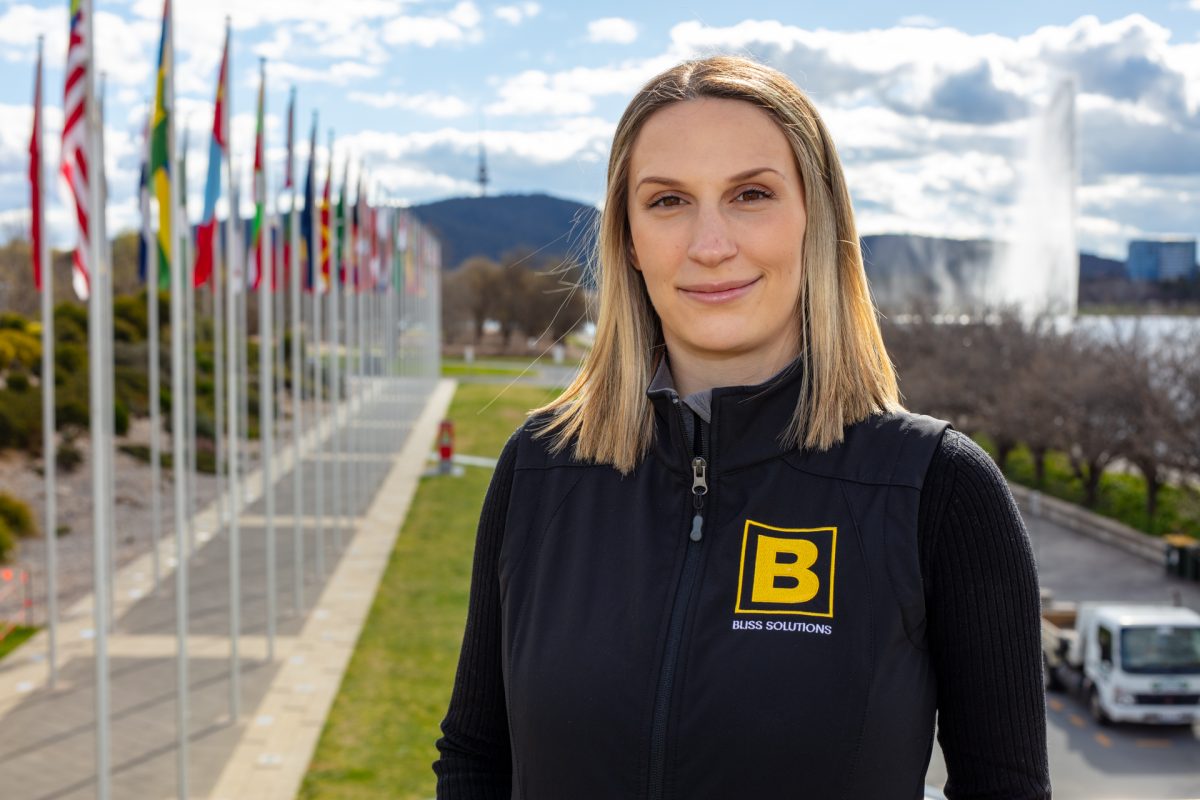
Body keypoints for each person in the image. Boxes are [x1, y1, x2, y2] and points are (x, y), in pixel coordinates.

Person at [434, 55, 1051, 800]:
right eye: (667, 202)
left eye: (751, 194)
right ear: (628, 238)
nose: (710, 244)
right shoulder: (541, 471)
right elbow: (474, 756)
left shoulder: (936, 488)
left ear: (816, 218)